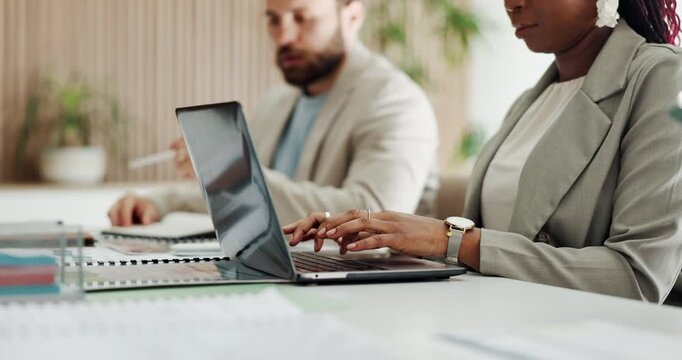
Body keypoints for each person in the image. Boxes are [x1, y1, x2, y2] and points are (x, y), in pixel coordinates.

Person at [286, 0, 682, 305]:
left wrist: (450, 240)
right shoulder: (531, 100)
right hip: (492, 317)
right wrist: (383, 232)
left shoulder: (662, 78)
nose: (511, 2)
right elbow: (495, 244)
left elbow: (637, 277)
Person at [107, 0, 438, 227]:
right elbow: (252, 196)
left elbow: (375, 218)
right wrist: (162, 201)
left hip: (366, 296)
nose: (284, 37)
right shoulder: (277, 102)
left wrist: (231, 169)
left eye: (301, 17)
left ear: (351, 16)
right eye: (274, 20)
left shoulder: (395, 101)